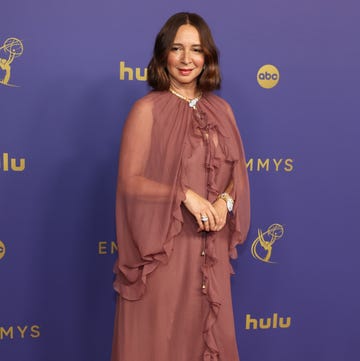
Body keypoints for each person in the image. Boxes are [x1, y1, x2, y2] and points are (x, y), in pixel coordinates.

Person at [111, 12, 250, 361]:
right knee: (160, 340)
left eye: (196, 49)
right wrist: (185, 195)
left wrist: (224, 204)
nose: (187, 59)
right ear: (163, 55)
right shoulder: (146, 110)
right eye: (177, 48)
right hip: (165, 252)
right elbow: (130, 182)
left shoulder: (223, 110)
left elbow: (238, 174)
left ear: (208, 57)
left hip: (211, 251)